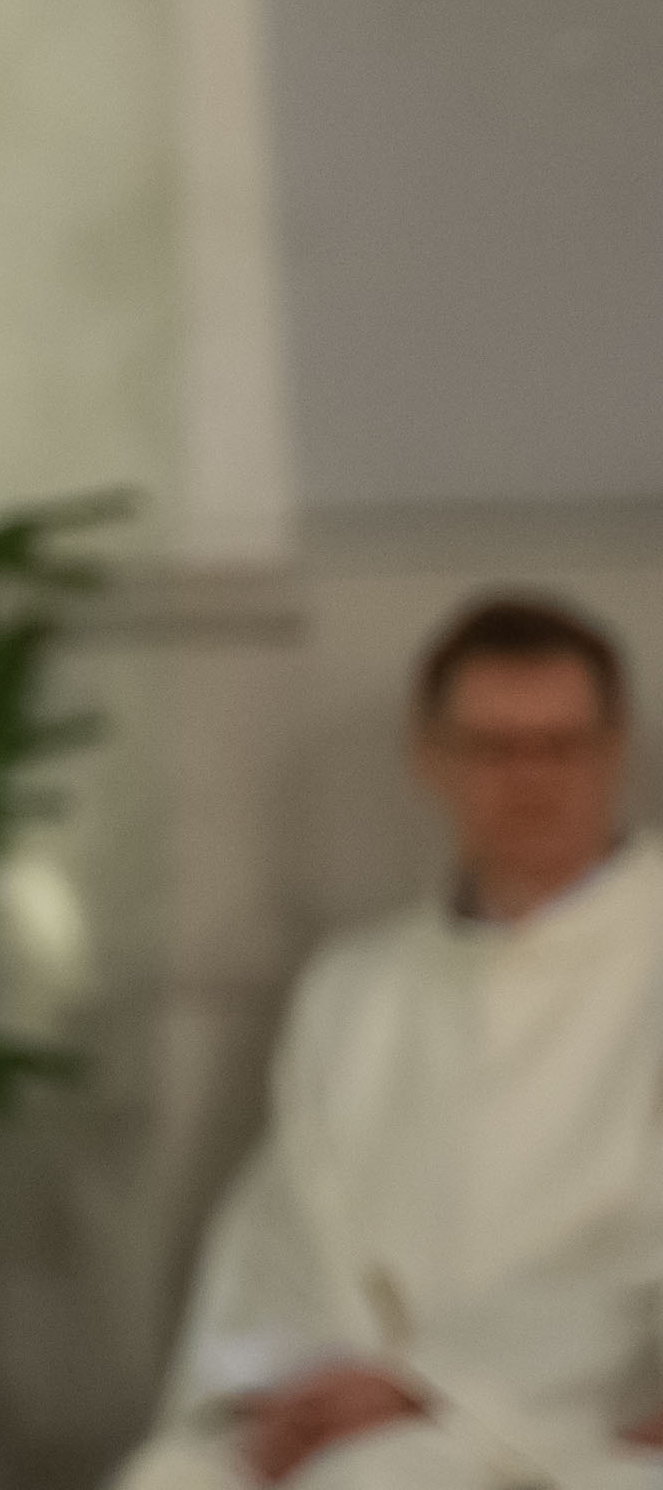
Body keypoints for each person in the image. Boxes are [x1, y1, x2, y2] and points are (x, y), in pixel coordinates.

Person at [112, 594, 663, 1490]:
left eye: (561, 746)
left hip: (576, 1421)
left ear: (616, 750)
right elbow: (286, 1231)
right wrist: (277, 1388)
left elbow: (640, 1264)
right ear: (429, 756)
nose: (530, 780)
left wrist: (434, 1383)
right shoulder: (357, 988)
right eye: (493, 748)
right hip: (352, 1395)